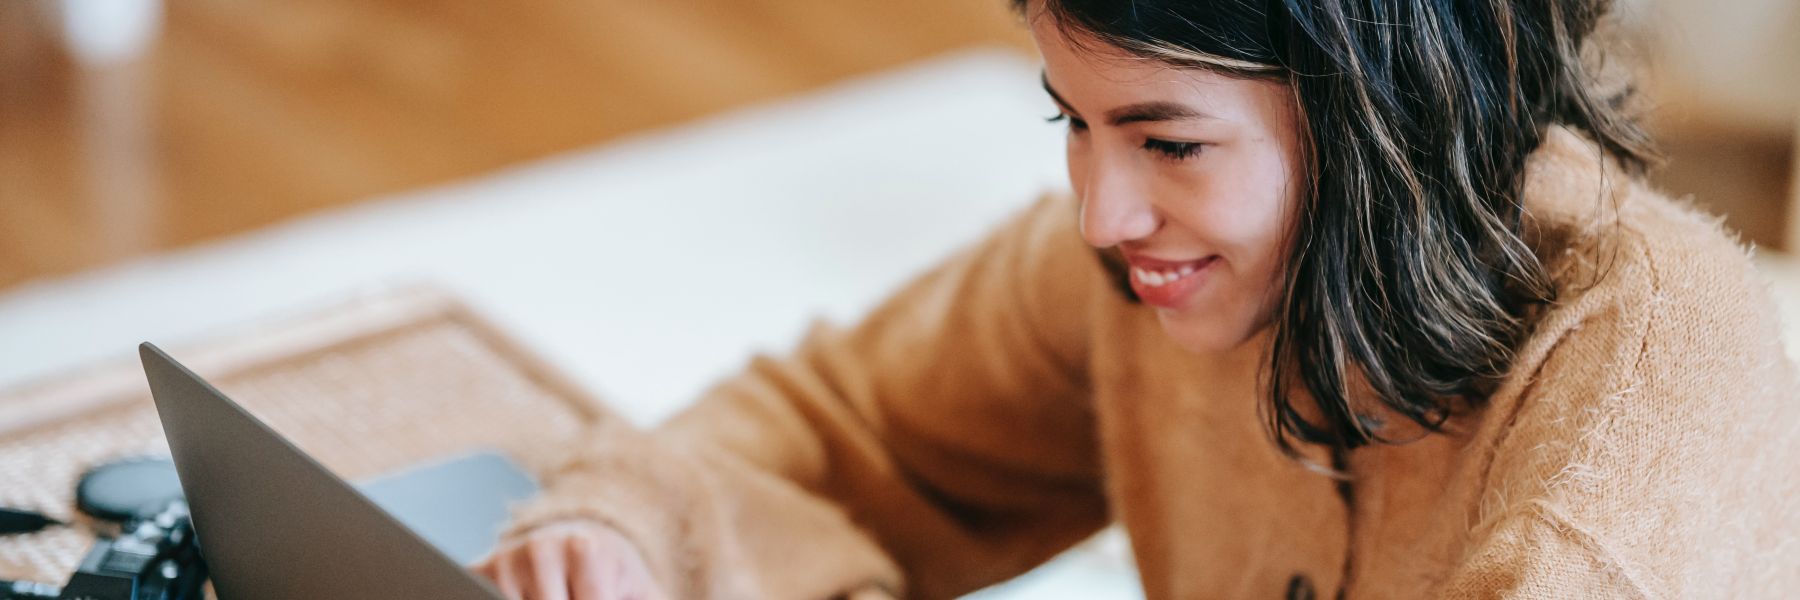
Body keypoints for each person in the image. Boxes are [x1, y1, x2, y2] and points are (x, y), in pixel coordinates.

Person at [472, 0, 1800, 597]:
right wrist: (631, 530)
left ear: (1381, 121)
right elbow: (842, 424)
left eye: (1168, 143)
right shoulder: (1157, 266)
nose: (1102, 215)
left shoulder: (1653, 360)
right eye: (1074, 122)